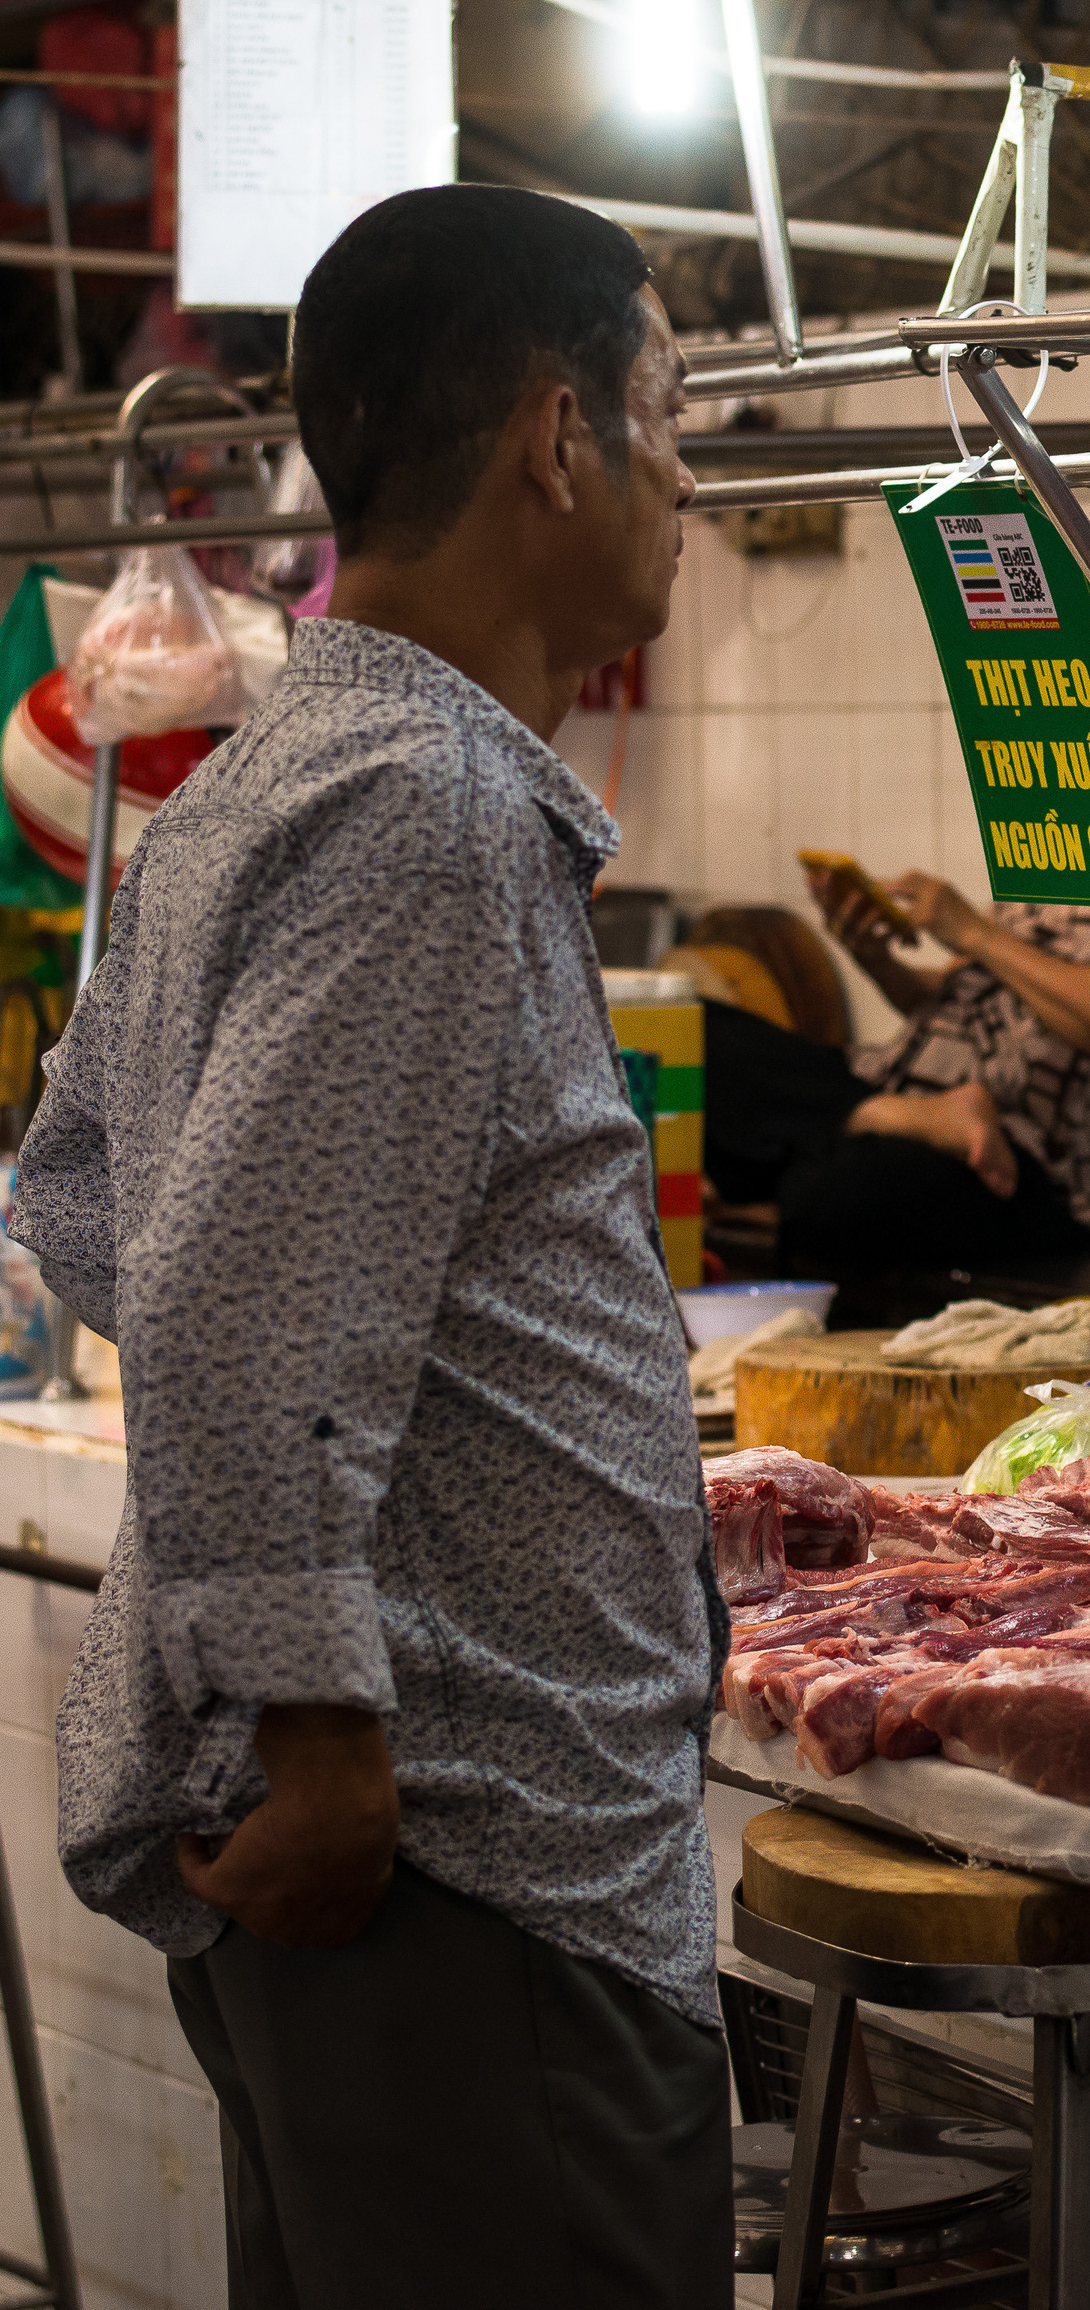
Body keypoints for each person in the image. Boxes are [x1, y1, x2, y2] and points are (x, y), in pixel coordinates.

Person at [14, 186, 733, 2306]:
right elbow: (241, 1295)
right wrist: (325, 1719)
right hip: (458, 1854)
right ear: (558, 438)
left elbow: (78, 1193)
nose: (688, 472)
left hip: (447, 1851)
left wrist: (445, 1414)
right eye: (667, 409)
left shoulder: (272, 772)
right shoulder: (415, 804)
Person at [704, 583, 1090, 1277]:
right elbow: (965, 1001)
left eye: (1061, 693)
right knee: (684, 1035)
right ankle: (899, 1117)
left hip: (1057, 1161)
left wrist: (972, 931)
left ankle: (872, 1130)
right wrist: (878, 960)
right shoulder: (1069, 818)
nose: (1043, 719)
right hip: (913, 1085)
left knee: (835, 1197)